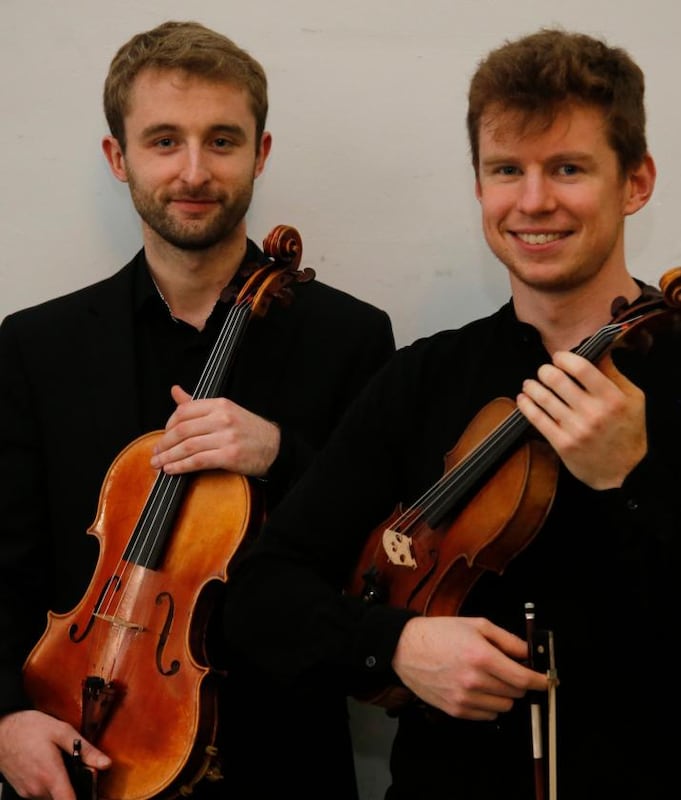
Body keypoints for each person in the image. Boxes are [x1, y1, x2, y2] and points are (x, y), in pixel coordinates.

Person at [223, 27, 681, 800]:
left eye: (568, 168)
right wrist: (395, 646)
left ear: (636, 182)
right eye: (506, 170)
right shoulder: (425, 376)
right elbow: (263, 593)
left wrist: (632, 484)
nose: (533, 201)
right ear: (479, 186)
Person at [0, 20, 395, 800]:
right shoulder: (32, 347)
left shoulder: (351, 336)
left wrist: (282, 456)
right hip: (79, 746)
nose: (193, 171)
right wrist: (6, 719)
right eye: (163, 141)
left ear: (261, 153)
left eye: (221, 141)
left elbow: (387, 558)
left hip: (284, 760)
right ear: (119, 158)